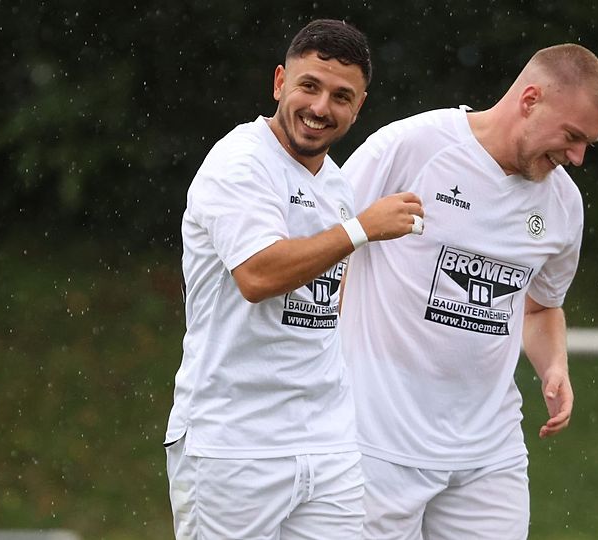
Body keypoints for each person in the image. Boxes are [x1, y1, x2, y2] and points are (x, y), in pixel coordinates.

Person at [338, 44, 598, 539]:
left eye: (587, 144)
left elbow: (540, 307)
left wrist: (554, 365)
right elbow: (327, 245)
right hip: (377, 446)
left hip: (489, 454)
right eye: (573, 137)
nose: (577, 157)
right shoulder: (412, 147)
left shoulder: (564, 205)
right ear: (530, 100)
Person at [163, 19, 424, 540]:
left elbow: (327, 309)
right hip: (234, 444)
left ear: (359, 107)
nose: (321, 107)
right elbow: (257, 274)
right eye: (310, 86)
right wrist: (361, 230)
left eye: (341, 96)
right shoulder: (240, 161)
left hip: (329, 445)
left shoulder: (337, 184)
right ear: (280, 82)